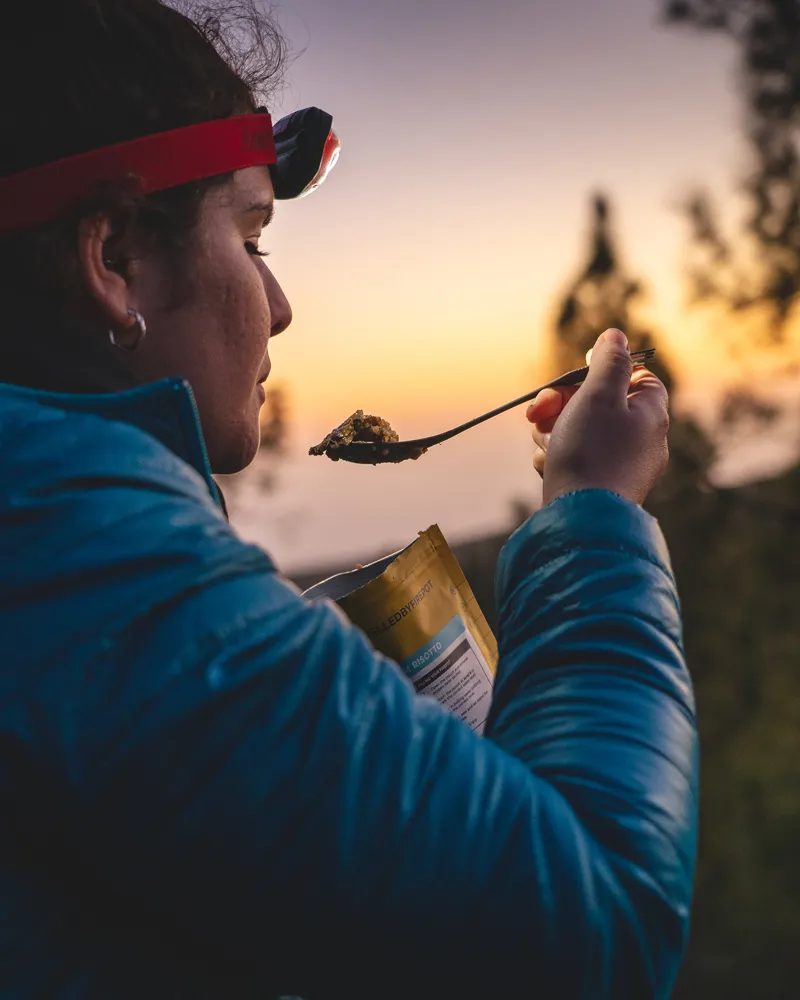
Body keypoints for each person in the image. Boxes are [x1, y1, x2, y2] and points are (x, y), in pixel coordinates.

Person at [0, 2, 697, 998]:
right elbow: (594, 928)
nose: (277, 306)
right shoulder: (66, 542)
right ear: (112, 258)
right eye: (252, 240)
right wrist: (594, 515)